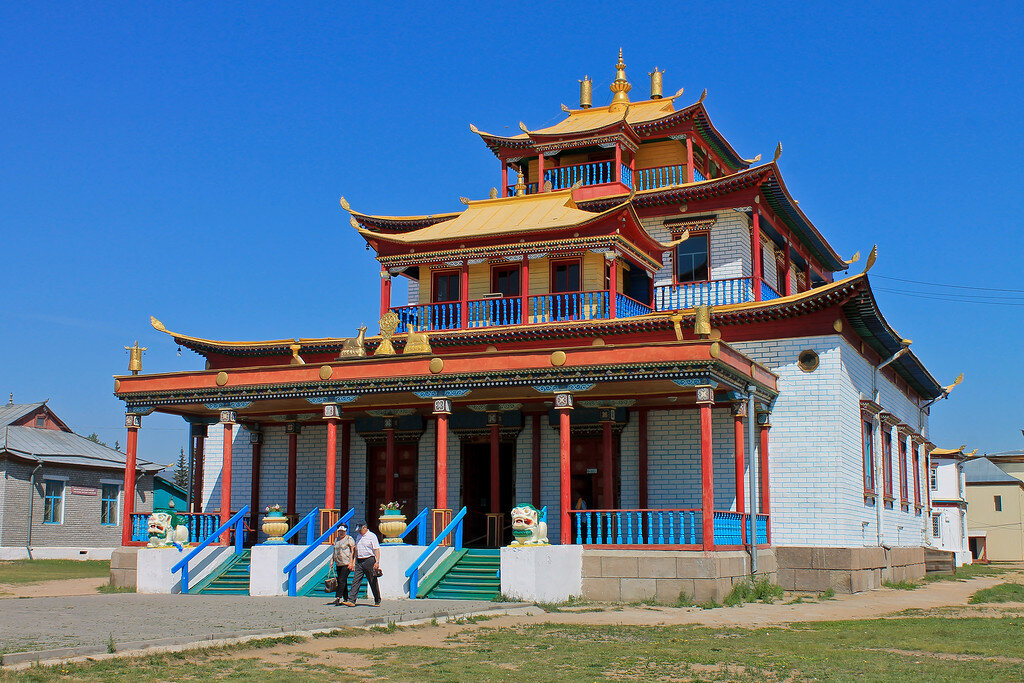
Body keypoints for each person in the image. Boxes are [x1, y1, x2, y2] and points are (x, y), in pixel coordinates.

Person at [344, 521, 381, 607]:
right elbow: (356, 549)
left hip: (369, 560)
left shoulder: (372, 536)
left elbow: (376, 549)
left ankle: (377, 599)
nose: (359, 532)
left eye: (360, 530)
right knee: (356, 580)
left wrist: (377, 561)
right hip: (359, 561)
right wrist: (353, 561)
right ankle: (352, 600)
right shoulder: (358, 536)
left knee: (372, 580)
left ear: (365, 528)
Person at [331, 524, 355, 606]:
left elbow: (353, 551)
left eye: (343, 531)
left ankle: (338, 597)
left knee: (341, 580)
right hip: (338, 563)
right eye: (340, 531)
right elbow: (334, 551)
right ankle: (346, 598)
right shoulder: (336, 540)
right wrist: (332, 561)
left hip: (346, 563)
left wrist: (352, 562)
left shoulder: (349, 539)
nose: (341, 533)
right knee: (342, 580)